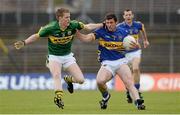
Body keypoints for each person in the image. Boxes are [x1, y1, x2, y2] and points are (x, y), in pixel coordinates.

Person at [14, 8, 103, 109]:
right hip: (54, 56)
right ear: (59, 18)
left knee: (81, 80)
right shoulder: (51, 28)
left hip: (68, 56)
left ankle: (68, 80)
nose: (68, 19)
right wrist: (24, 42)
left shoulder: (73, 25)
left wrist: (101, 24)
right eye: (66, 17)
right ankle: (58, 97)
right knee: (56, 75)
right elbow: (36, 36)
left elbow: (87, 27)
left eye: (69, 17)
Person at [76, 13, 145, 110]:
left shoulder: (123, 32)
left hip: (121, 61)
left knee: (129, 83)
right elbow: (87, 38)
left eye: (111, 22)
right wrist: (77, 33)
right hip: (107, 63)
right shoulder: (101, 31)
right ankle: (106, 96)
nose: (109, 25)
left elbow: (133, 43)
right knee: (100, 82)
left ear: (116, 23)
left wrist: (136, 45)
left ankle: (138, 102)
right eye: (107, 22)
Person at [117, 9, 150, 103]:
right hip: (125, 53)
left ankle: (137, 91)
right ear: (123, 16)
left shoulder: (138, 24)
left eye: (129, 15)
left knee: (135, 69)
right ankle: (128, 91)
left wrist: (145, 40)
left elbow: (142, 28)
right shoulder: (120, 26)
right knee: (127, 75)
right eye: (126, 15)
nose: (128, 16)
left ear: (132, 16)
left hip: (136, 51)